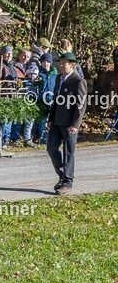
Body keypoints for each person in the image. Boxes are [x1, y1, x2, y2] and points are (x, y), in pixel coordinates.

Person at [46, 52, 87, 194]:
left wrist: (76, 124)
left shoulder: (78, 81)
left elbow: (81, 105)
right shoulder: (59, 78)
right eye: (60, 63)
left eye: (65, 63)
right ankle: (63, 175)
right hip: (57, 121)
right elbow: (56, 100)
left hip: (70, 123)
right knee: (51, 148)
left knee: (69, 152)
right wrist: (51, 119)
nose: (62, 66)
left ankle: (67, 183)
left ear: (72, 65)